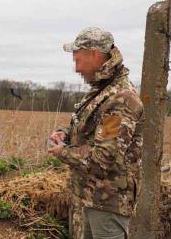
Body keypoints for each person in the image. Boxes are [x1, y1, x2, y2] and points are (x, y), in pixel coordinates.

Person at [48, 27, 144, 239]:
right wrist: (65, 133)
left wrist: (63, 152)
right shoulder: (103, 90)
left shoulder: (120, 98)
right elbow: (92, 132)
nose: (76, 68)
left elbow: (105, 156)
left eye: (77, 60)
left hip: (108, 204)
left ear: (94, 54)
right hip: (93, 198)